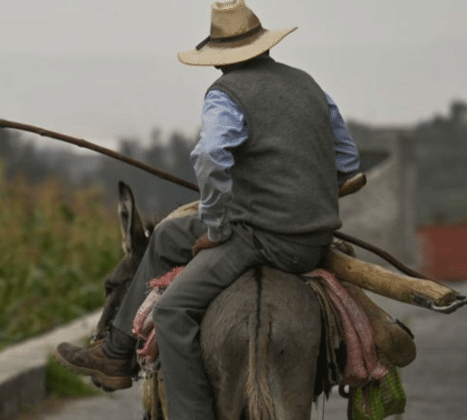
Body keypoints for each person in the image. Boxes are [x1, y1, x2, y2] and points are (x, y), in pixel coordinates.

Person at [54, 1, 361, 418]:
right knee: (165, 235)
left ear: (219, 58)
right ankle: (116, 351)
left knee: (173, 312)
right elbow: (347, 162)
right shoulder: (309, 84)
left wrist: (216, 226)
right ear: (263, 45)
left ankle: (141, 375)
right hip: (312, 239)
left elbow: (212, 156)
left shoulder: (225, 94)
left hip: (260, 238)